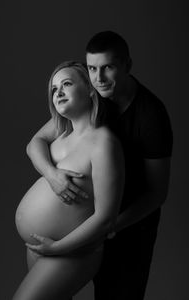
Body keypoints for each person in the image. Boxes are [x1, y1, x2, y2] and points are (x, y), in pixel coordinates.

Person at [26, 31, 173, 299]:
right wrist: (52, 175)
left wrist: (107, 226)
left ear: (127, 65)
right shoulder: (94, 97)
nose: (99, 77)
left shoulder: (150, 116)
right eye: (92, 68)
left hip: (127, 232)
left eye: (108, 68)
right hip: (83, 225)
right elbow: (37, 141)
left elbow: (157, 192)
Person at [13, 61, 124, 300]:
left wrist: (56, 248)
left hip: (72, 251)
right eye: (54, 89)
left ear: (90, 91)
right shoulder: (62, 130)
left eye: (66, 84)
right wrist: (52, 176)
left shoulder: (103, 143)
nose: (58, 92)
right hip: (41, 246)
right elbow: (33, 145)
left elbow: (106, 219)